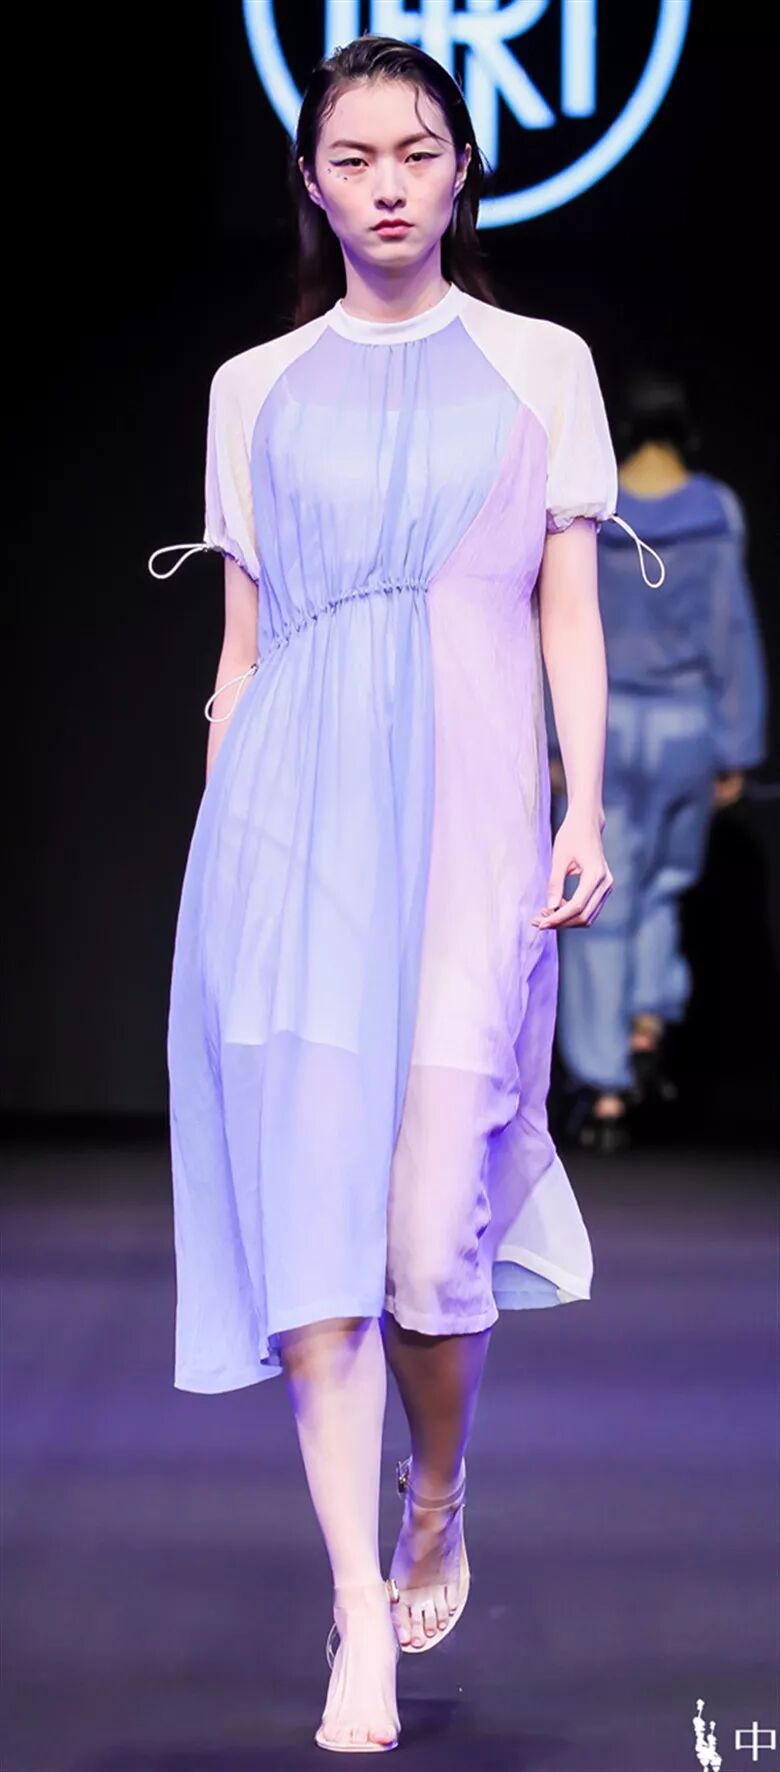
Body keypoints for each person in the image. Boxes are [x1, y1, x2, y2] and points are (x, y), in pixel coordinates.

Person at [148, 34, 657, 1755]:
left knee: (434, 1237)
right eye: (352, 155)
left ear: (459, 172)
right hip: (287, 843)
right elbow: (240, 651)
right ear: (310, 180)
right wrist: (222, 851)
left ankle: (435, 1494)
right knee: (315, 1239)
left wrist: (586, 798)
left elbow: (565, 606)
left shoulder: (541, 364)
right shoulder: (251, 387)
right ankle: (358, 1613)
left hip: (470, 832)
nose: (385, 182)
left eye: (416, 151)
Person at [547, 373, 768, 1152]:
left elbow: (562, 620)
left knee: (597, 898)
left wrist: (554, 743)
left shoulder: (594, 504)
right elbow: (730, 628)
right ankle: (648, 1015)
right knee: (664, 888)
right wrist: (739, 740)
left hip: (605, 726)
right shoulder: (717, 511)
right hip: (685, 726)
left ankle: (605, 1089)